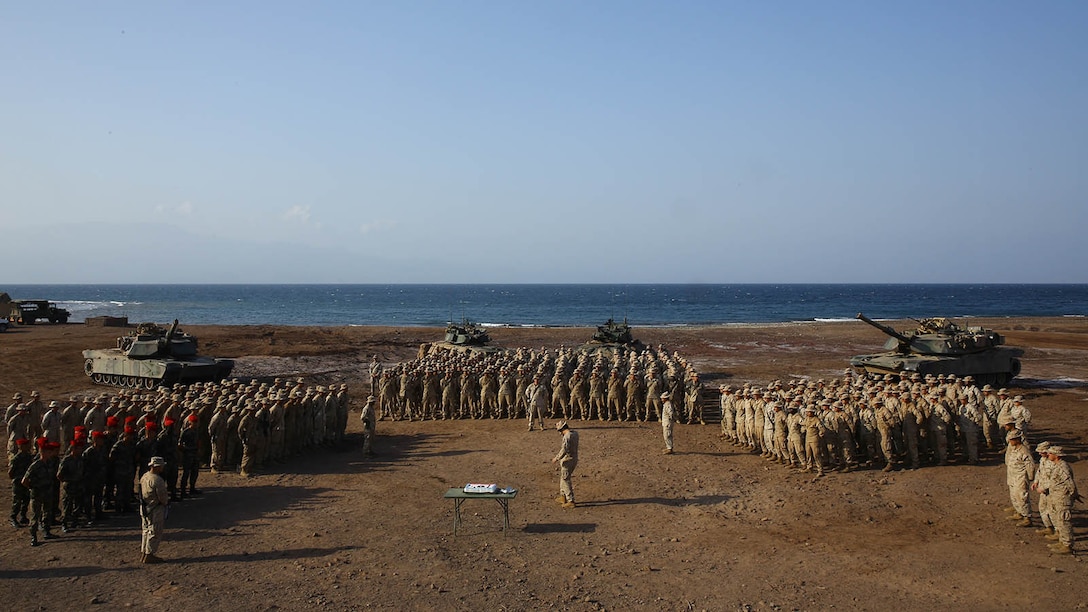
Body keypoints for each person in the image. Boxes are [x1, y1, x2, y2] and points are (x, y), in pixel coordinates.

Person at [139, 456, 169, 563]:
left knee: (146, 530)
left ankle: (144, 551)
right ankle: (149, 553)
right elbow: (162, 497)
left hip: (145, 507)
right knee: (155, 531)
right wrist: (165, 504)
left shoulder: (144, 476)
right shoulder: (158, 480)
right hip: (155, 508)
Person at [1004, 430, 1035, 527]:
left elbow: (1030, 465)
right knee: (1014, 495)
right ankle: (1019, 512)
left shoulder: (1024, 451)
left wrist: (1030, 477)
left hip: (1020, 477)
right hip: (1012, 476)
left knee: (1022, 497)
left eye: (1012, 439)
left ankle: (1027, 517)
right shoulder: (1012, 449)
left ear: (1017, 439)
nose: (1010, 441)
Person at [551, 421, 578, 508]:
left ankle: (570, 500)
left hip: (567, 460)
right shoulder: (575, 433)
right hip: (573, 458)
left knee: (566, 479)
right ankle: (563, 496)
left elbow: (564, 449)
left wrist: (557, 458)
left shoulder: (567, 437)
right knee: (563, 478)